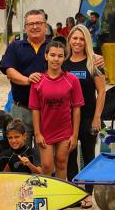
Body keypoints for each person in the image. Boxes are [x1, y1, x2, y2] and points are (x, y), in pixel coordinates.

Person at [64, 24, 106, 209]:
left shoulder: (93, 63)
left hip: (89, 116)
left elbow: (102, 92)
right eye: (75, 38)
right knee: (70, 154)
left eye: (81, 39)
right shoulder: (63, 63)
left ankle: (88, 192)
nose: (78, 42)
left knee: (89, 154)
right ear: (69, 40)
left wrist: (97, 117)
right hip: (67, 118)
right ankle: (74, 192)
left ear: (86, 41)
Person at [0, 9, 51, 161]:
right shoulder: (15, 46)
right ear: (25, 27)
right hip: (21, 109)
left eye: (39, 23)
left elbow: (75, 55)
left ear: (46, 26)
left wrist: (95, 57)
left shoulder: (54, 46)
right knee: (20, 154)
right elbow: (9, 71)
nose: (35, 27)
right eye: (31, 24)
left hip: (47, 110)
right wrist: (28, 80)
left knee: (44, 157)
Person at [31, 41, 84, 180]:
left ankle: (59, 197)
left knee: (61, 163)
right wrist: (37, 134)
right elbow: (35, 109)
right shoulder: (38, 81)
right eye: (52, 55)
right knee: (47, 166)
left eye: (60, 56)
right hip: (46, 130)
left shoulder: (72, 80)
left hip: (65, 130)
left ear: (64, 58)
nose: (56, 59)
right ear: (46, 56)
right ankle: (47, 196)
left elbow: (76, 109)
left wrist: (74, 135)